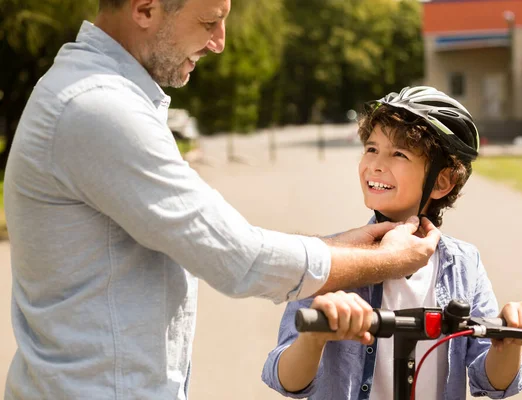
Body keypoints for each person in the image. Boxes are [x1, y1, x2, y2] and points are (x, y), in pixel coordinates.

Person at [3, 1, 441, 399]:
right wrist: (387, 260)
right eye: (209, 21)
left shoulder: (103, 94)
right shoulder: (98, 108)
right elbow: (240, 257)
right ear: (144, 9)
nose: (219, 42)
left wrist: (351, 242)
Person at [262, 86, 522, 400]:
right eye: (371, 148)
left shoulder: (464, 264)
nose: (375, 164)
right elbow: (287, 380)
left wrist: (507, 342)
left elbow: (492, 382)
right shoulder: (331, 257)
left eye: (399, 153)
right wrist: (313, 338)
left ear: (442, 182)